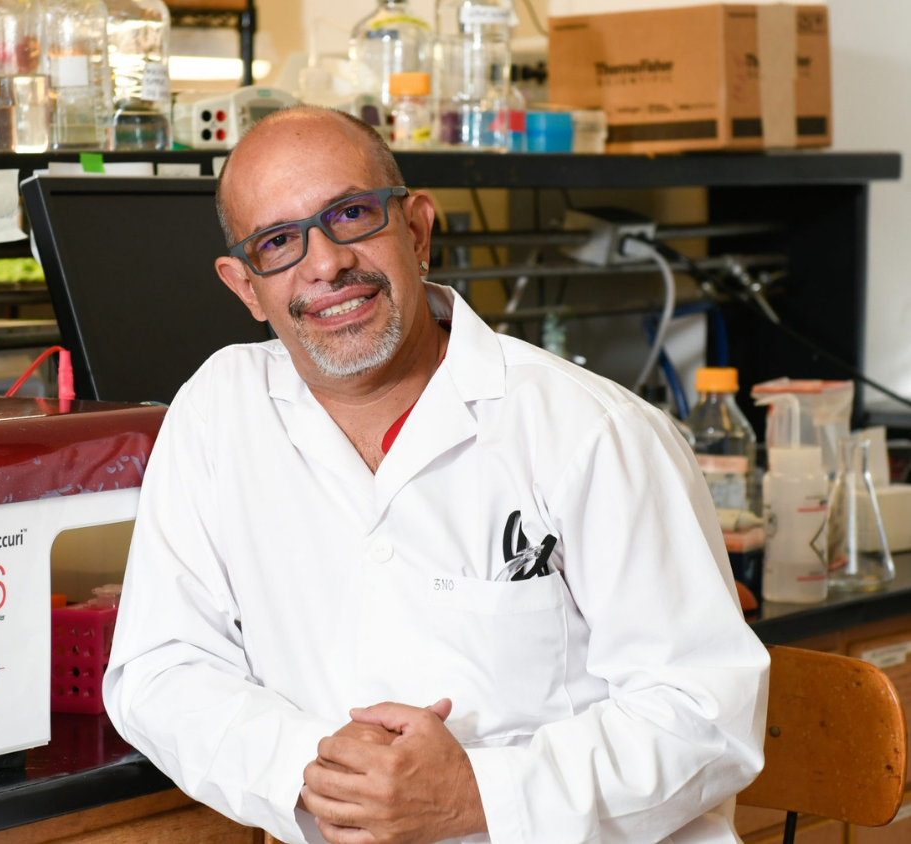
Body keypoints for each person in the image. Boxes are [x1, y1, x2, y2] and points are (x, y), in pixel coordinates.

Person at [101, 106, 769, 844]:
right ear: (245, 287)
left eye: (350, 214)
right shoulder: (217, 412)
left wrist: (480, 795)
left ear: (416, 230)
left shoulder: (591, 432)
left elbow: (708, 712)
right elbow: (161, 669)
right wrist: (315, 771)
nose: (324, 264)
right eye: (279, 241)